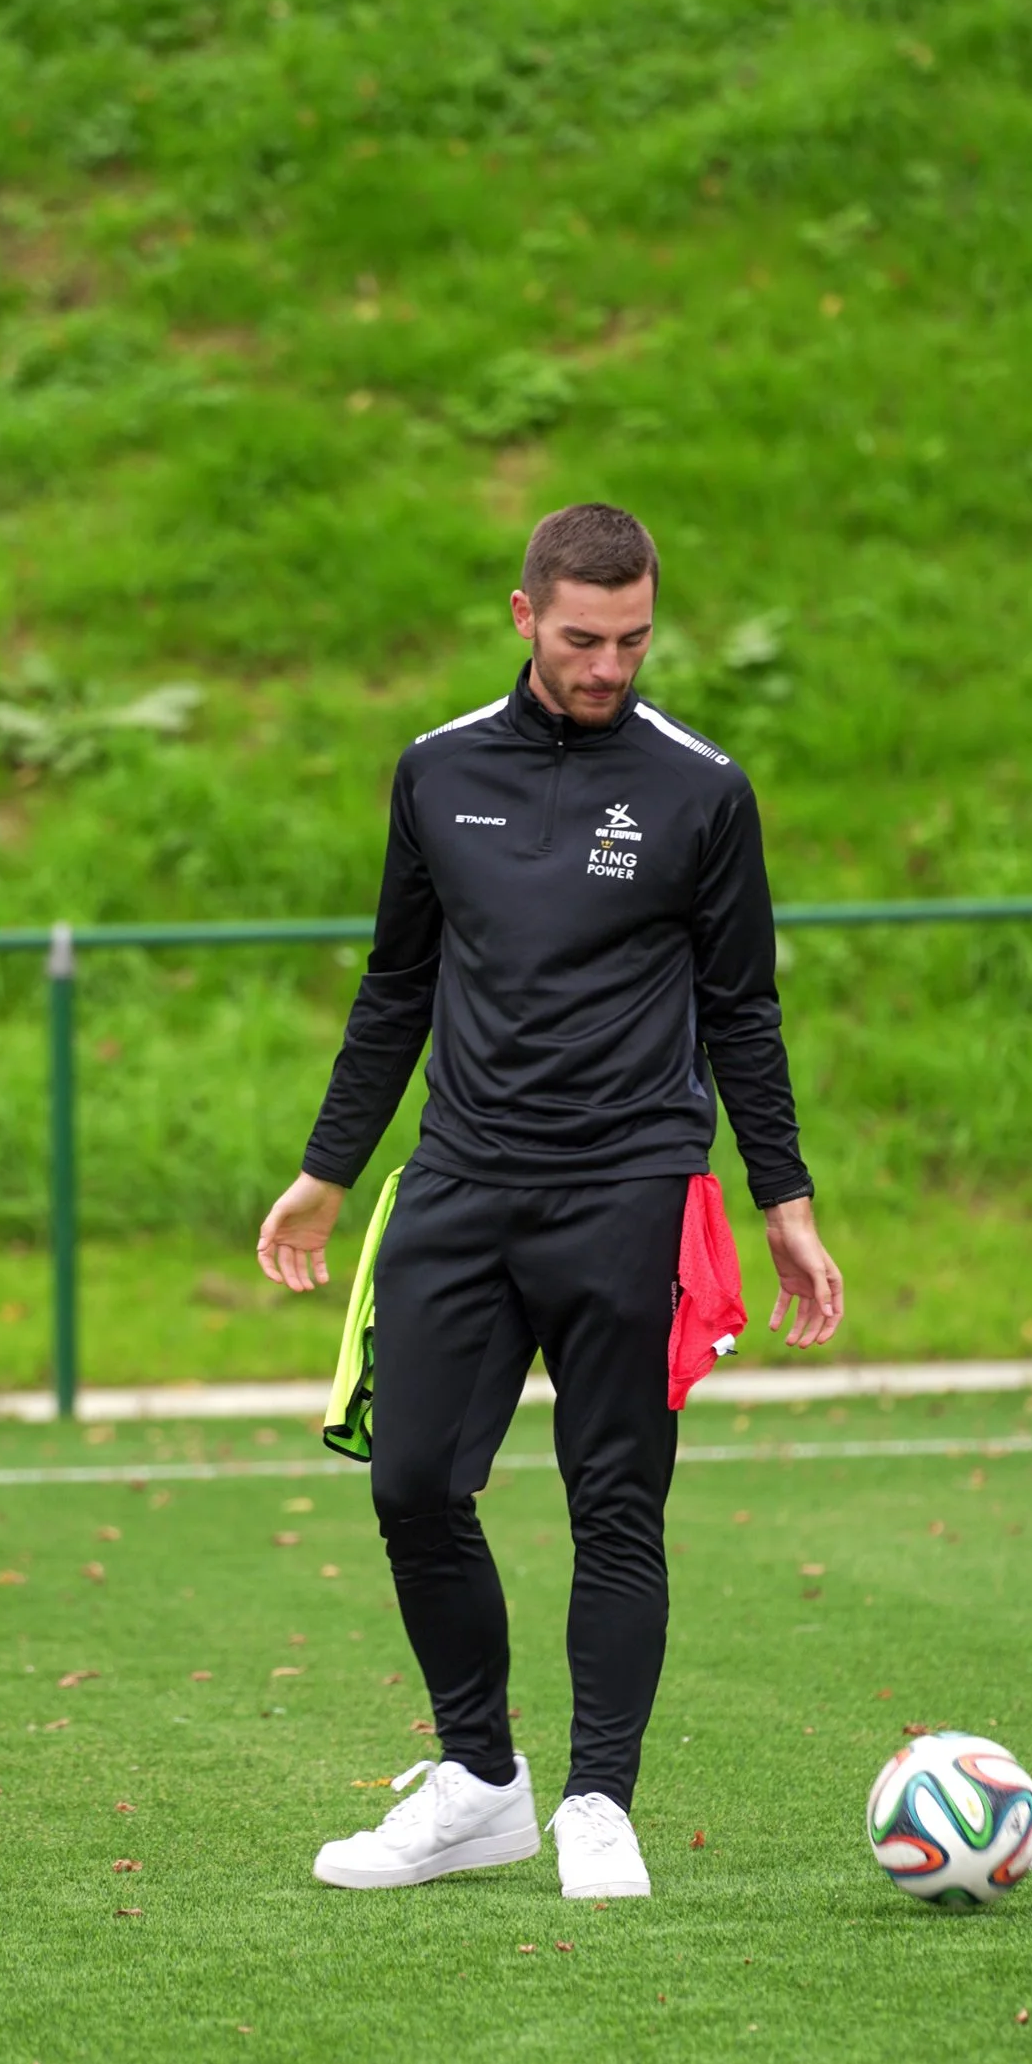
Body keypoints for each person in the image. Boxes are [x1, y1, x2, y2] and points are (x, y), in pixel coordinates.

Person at [254, 501, 842, 1903]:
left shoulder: (702, 790)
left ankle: (599, 1798)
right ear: (525, 617)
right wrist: (329, 1169)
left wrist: (786, 1199)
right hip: (462, 1181)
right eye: (583, 638)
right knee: (409, 1480)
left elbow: (742, 1009)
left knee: (615, 1499)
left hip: (633, 1185)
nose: (609, 665)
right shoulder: (435, 771)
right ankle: (480, 1784)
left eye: (634, 638)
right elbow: (396, 982)